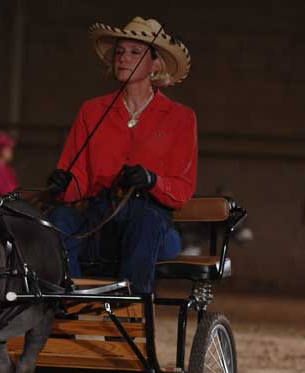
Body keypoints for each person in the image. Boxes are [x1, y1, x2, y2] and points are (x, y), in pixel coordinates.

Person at [47, 16, 198, 293]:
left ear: (156, 64)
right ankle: (71, 300)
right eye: (119, 52)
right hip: (99, 219)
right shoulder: (92, 111)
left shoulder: (181, 118)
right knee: (58, 221)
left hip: (153, 222)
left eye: (135, 52)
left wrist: (153, 180)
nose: (123, 58)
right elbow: (79, 178)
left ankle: (131, 310)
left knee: (145, 223)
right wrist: (63, 184)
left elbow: (183, 190)